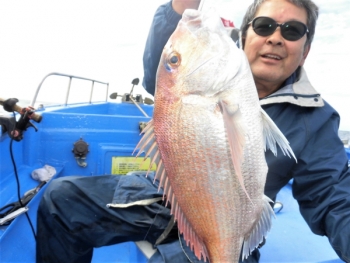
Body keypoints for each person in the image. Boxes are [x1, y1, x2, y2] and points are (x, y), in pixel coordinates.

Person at [36, 0, 350, 262]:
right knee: (61, 199)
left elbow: (334, 197)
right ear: (244, 36)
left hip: (231, 222)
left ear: (305, 50)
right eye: (264, 26)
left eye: (292, 31)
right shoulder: (201, 78)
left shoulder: (315, 119)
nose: (275, 38)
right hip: (163, 196)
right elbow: (164, 70)